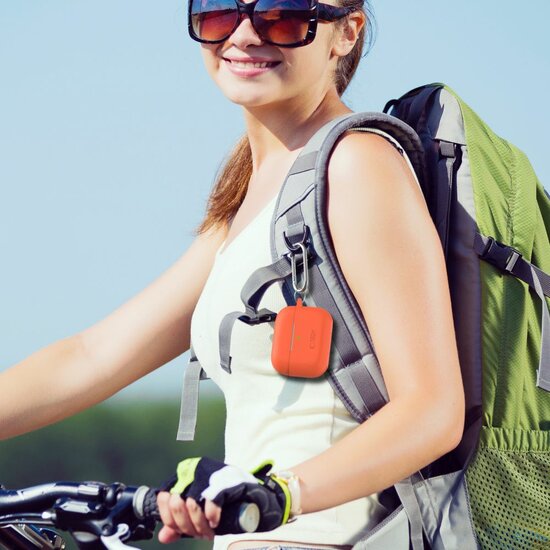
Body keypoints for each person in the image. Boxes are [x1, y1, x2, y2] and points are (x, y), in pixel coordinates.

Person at [0, 0, 465, 548]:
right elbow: (93, 355)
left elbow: (432, 410)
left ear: (345, 33)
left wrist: (280, 494)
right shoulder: (251, 192)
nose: (243, 34)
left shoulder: (358, 163)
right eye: (219, 11)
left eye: (281, 13)